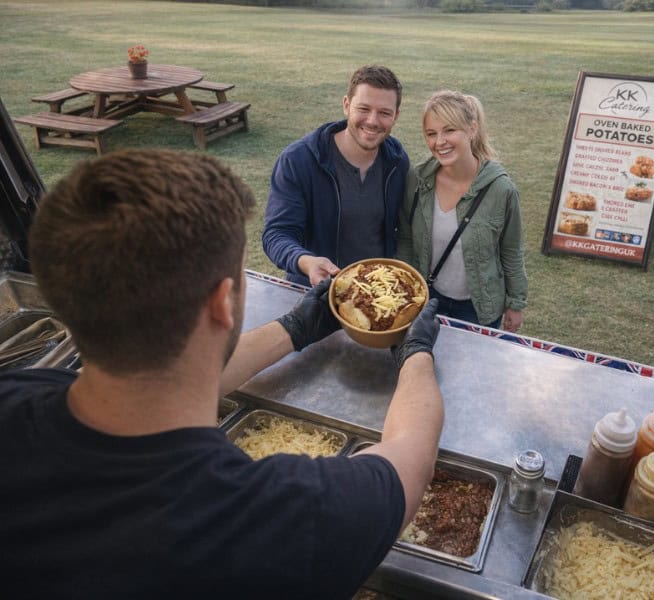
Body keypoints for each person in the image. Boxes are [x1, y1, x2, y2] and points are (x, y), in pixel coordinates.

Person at [0, 149, 443, 599]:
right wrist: (416, 351)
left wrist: (293, 330)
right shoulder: (267, 518)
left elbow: (166, 385)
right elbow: (412, 456)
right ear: (220, 301)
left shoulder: (14, 398)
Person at [262, 64, 410, 287]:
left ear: (396, 116)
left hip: (375, 294)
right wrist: (306, 262)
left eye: (384, 113)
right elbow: (277, 234)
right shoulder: (298, 160)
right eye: (363, 109)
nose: (372, 121)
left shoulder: (397, 161)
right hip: (314, 291)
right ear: (346, 105)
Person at [397, 90, 528, 332]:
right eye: (431, 134)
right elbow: (405, 237)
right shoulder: (417, 180)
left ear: (472, 129)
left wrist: (515, 305)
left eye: (449, 130)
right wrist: (404, 288)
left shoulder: (501, 189)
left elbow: (511, 250)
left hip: (478, 309)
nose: (440, 142)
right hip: (426, 298)